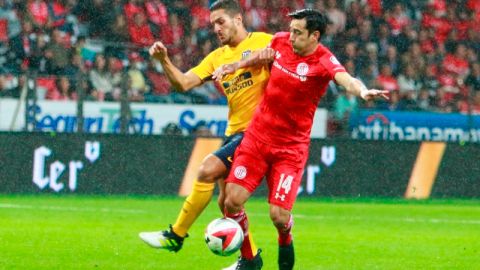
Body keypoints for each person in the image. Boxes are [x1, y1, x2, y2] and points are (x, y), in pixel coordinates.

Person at [213, 9, 388, 270]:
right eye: (291, 30)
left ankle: (286, 235)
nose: (290, 36)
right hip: (257, 139)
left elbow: (346, 79)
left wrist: (362, 92)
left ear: (314, 35)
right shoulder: (281, 41)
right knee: (231, 201)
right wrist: (236, 65)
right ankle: (250, 260)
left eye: (297, 32)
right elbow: (263, 56)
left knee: (279, 216)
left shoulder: (324, 61)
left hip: (289, 149)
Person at [139, 1, 270, 269]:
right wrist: (164, 61)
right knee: (226, 203)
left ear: (238, 19)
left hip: (258, 132)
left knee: (206, 170)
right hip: (234, 134)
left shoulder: (264, 41)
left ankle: (175, 235)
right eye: (213, 24)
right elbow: (184, 83)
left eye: (221, 21)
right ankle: (250, 260)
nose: (216, 28)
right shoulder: (216, 57)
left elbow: (287, 59)